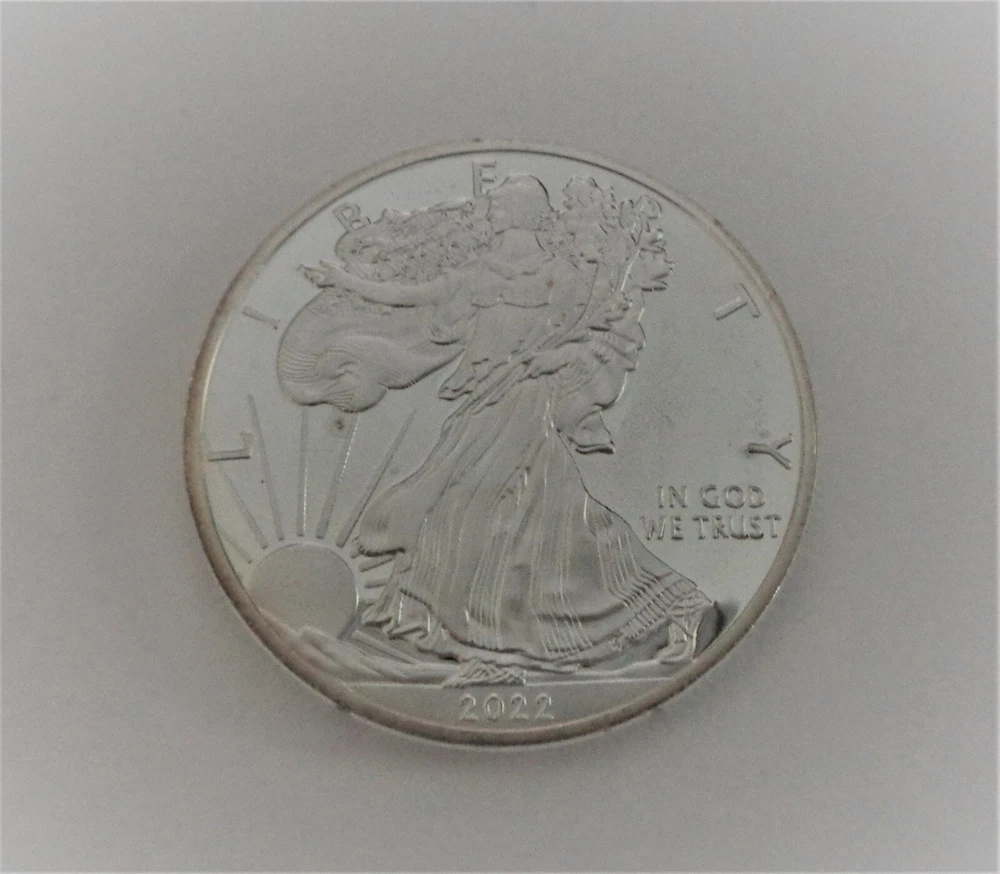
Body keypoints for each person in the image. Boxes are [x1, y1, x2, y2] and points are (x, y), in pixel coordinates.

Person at [278, 175, 719, 674]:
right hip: (485, 397)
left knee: (485, 499)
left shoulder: (563, 275)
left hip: (525, 398)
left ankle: (503, 626)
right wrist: (347, 283)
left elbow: (588, 338)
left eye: (499, 207)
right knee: (508, 505)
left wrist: (549, 360)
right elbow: (412, 296)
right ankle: (467, 630)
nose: (490, 214)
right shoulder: (480, 273)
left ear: (523, 213)